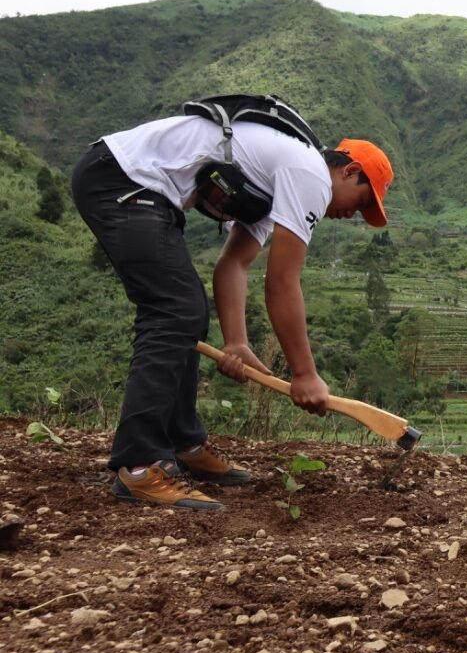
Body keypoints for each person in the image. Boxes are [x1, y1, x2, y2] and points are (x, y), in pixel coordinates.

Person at [71, 104, 393, 511]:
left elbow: (233, 264)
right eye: (363, 201)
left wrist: (237, 342)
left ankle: (183, 442)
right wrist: (304, 374)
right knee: (174, 309)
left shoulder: (279, 179)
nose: (356, 215)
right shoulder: (309, 173)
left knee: (186, 311)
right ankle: (139, 466)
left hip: (122, 180)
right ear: (348, 171)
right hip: (123, 180)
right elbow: (280, 282)